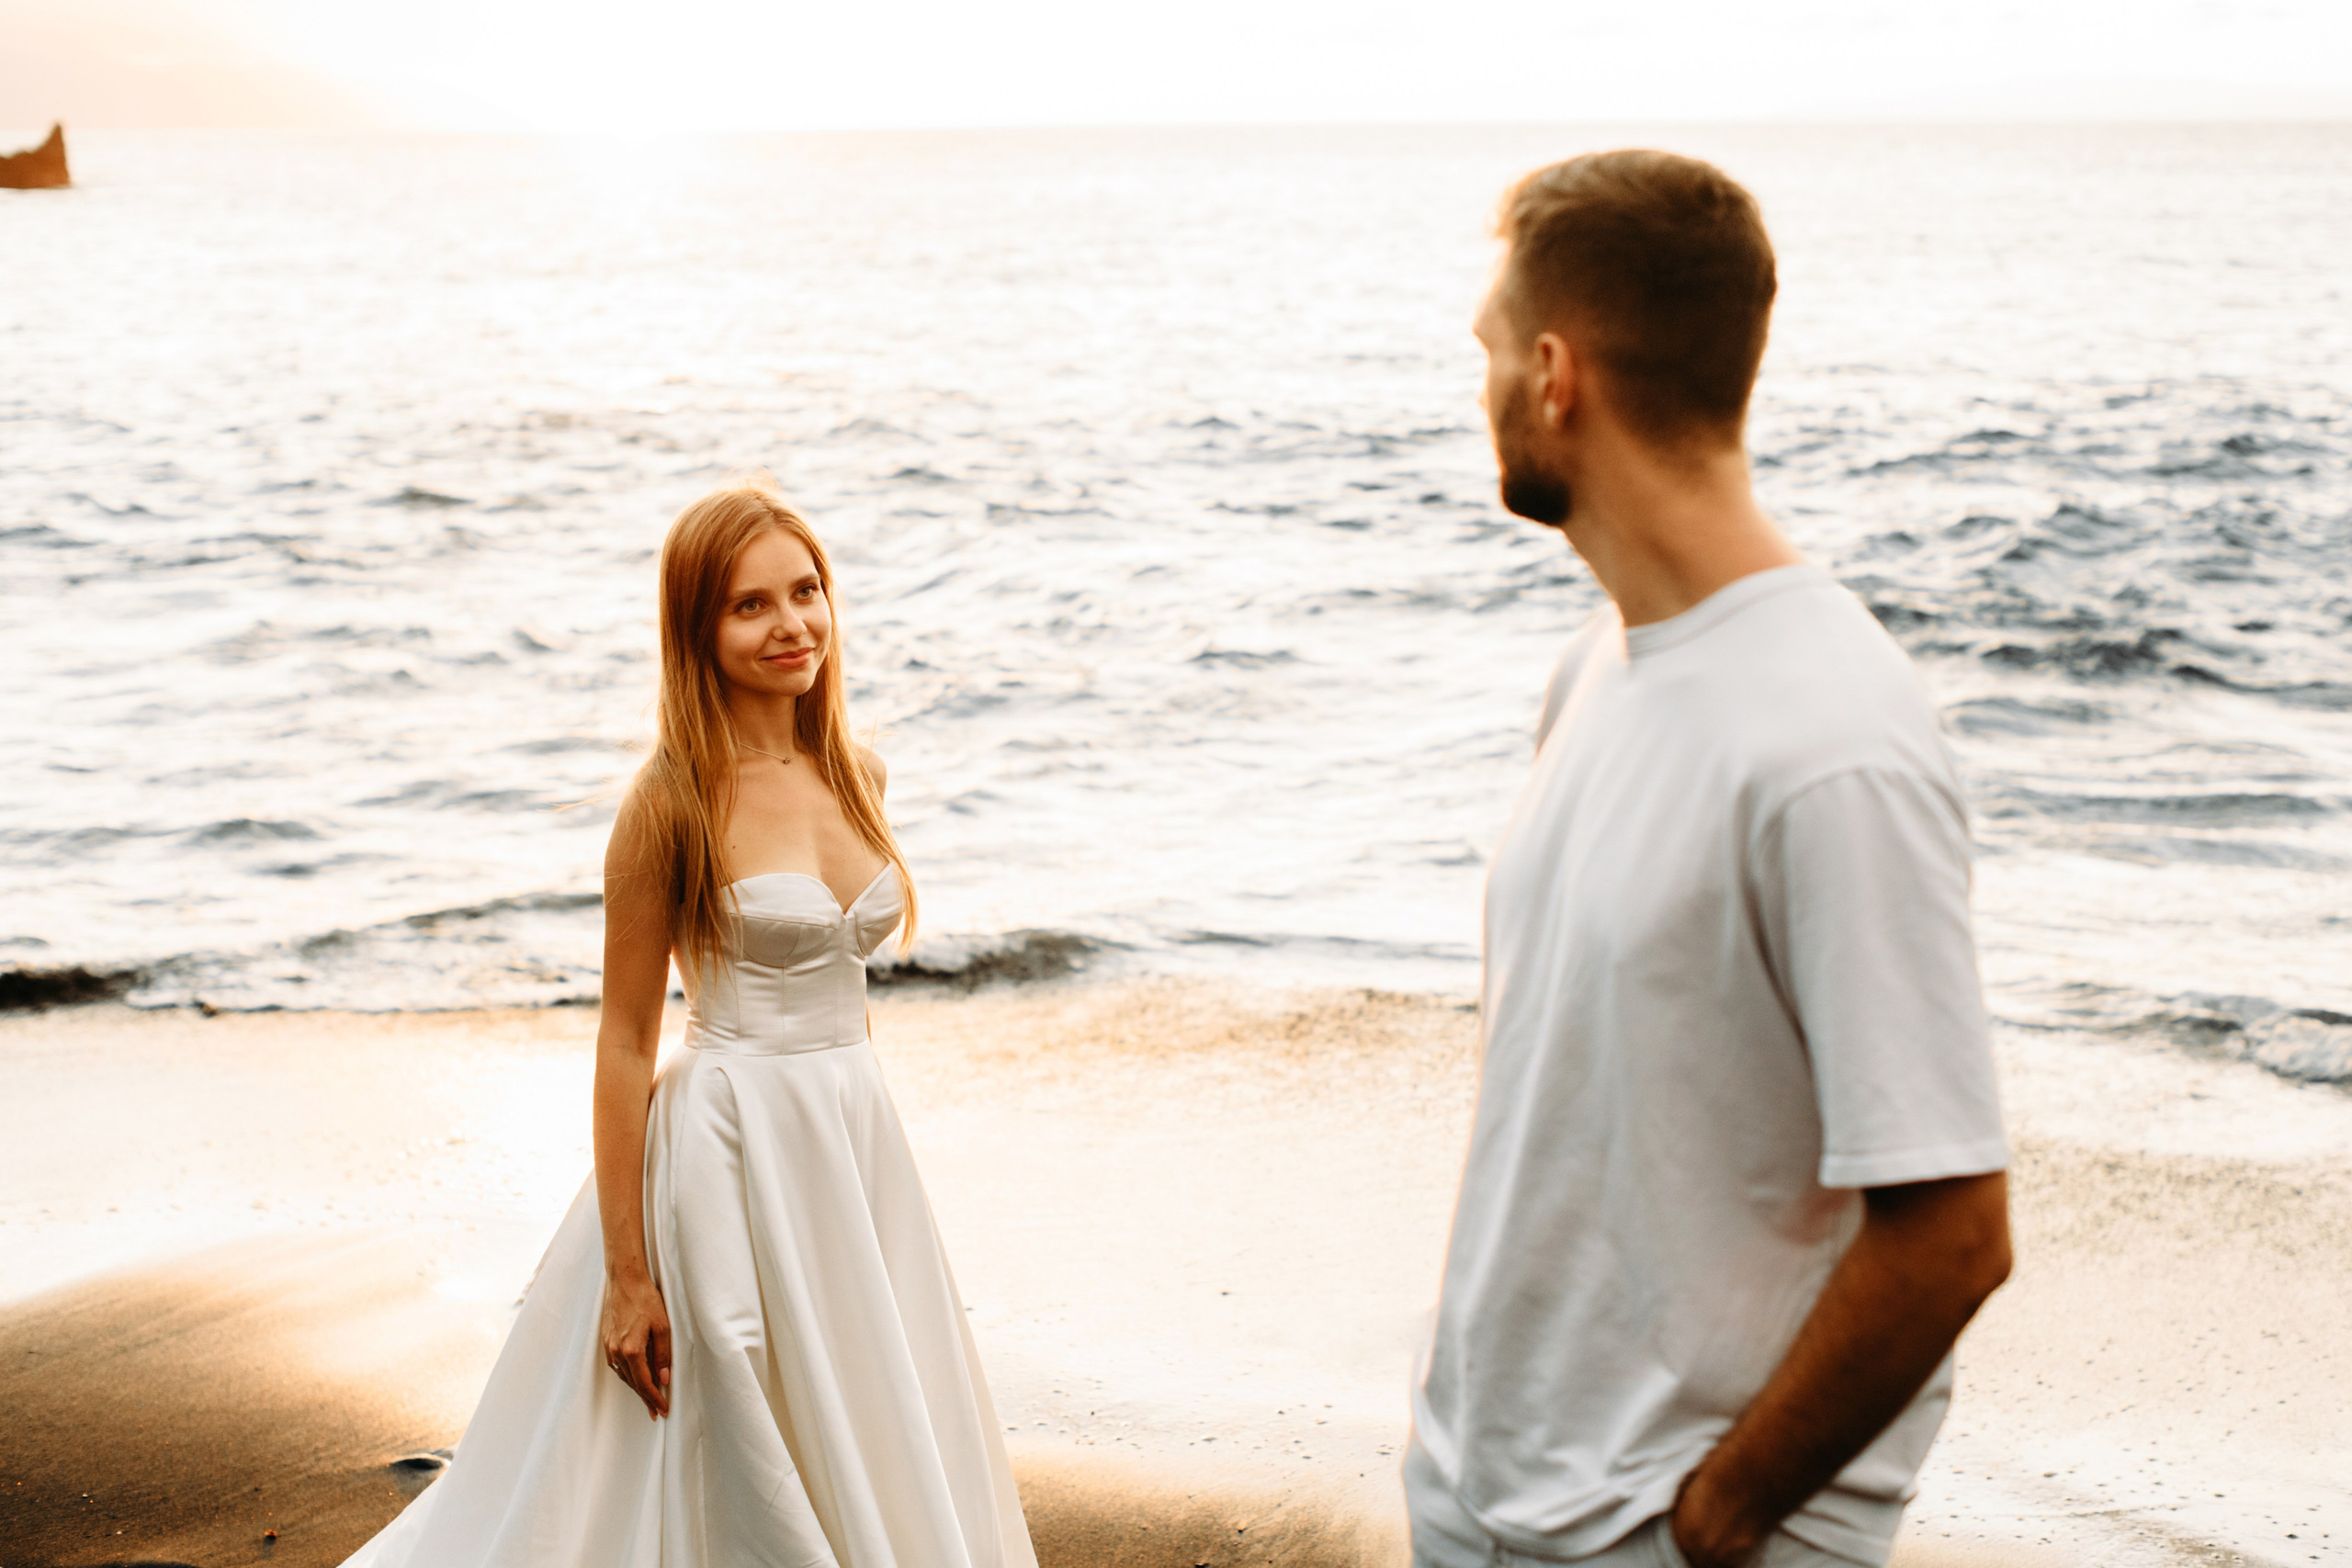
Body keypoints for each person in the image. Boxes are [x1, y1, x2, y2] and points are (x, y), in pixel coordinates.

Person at [1407, 151, 2014, 1568]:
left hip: (1653, 1536)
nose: (1481, 386)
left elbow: (1951, 1230)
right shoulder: (1598, 671)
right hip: (1485, 1500)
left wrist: (1716, 1521)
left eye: (1489, 352)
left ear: (1555, 374)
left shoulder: (1830, 740)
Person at [343, 482, 1035, 1568]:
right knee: (732, 1405)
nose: (790, 624)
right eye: (749, 605)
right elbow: (623, 1040)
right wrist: (629, 1276)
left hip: (850, 1139)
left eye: (806, 592)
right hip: (726, 1145)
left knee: (867, 1392)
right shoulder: (669, 803)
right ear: (696, 631)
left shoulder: (862, 774)